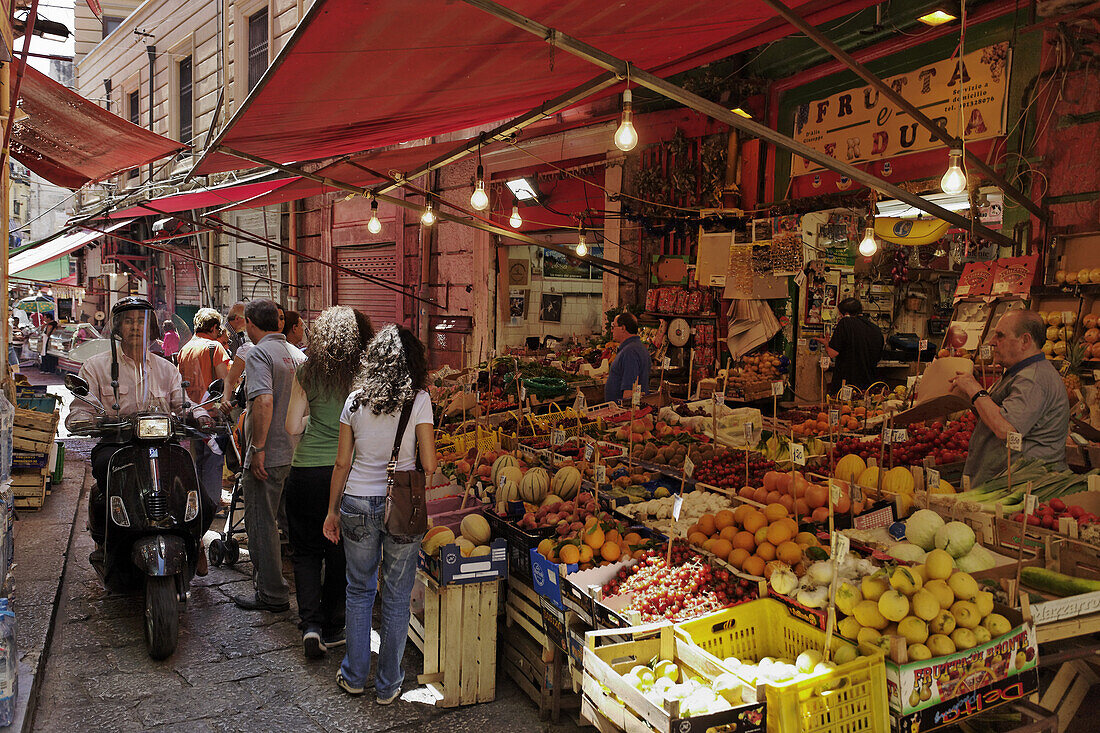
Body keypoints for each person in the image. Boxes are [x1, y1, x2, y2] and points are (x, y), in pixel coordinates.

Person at [322, 326, 437, 703]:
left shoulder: (354, 401)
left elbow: (342, 463)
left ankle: (354, 676)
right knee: (397, 595)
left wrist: (331, 511)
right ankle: (389, 685)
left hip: (356, 501)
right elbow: (430, 463)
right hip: (401, 504)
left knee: (358, 591)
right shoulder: (419, 400)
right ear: (414, 362)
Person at [64, 298, 192, 562]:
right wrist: (82, 420)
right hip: (117, 444)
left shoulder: (167, 369)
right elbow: (82, 405)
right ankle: (106, 541)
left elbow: (183, 405)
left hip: (162, 445)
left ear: (153, 329)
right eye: (129, 321)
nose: (135, 327)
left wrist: (201, 416)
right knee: (106, 475)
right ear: (118, 328)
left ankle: (194, 540)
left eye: (142, 321)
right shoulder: (96, 366)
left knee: (193, 484)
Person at [285, 306, 373, 658]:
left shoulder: (308, 371)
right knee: (340, 553)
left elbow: (291, 426)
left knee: (305, 552)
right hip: (348, 475)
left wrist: (311, 423)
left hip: (305, 472)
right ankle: (333, 624)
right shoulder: (365, 376)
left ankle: (310, 626)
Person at [232, 299, 305, 612]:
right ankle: (306, 591)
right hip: (297, 453)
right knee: (296, 526)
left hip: (271, 453)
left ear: (250, 323)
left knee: (262, 525)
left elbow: (262, 402)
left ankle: (272, 594)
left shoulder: (260, 353)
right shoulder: (298, 354)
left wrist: (257, 448)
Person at [950, 309, 1070, 486]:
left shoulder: (1033, 379)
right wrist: (971, 396)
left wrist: (975, 390)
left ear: (1025, 341)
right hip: (1008, 482)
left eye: (1000, 336)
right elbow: (998, 415)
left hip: (1024, 488)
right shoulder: (1019, 372)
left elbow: (1006, 430)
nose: (992, 342)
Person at [176, 308, 232, 560]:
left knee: (195, 463)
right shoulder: (214, 348)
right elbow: (227, 380)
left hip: (189, 414)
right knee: (212, 464)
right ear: (215, 328)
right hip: (210, 415)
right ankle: (208, 511)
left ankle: (194, 508)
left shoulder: (185, 348)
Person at [816, 298, 884, 392]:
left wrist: (826, 344)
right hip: (869, 385)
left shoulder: (845, 323)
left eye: (840, 314)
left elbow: (832, 353)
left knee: (842, 407)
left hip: (847, 384)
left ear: (846, 314)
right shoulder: (875, 329)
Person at [604, 312, 651, 403]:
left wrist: (624, 413)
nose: (612, 330)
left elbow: (629, 391)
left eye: (614, 326)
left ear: (623, 328)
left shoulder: (630, 352)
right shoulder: (638, 347)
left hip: (623, 412)